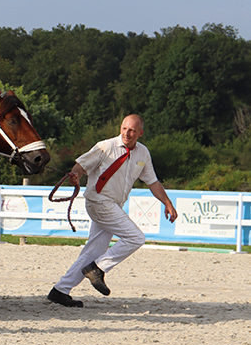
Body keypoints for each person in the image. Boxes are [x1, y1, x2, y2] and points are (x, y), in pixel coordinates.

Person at [47, 114, 178, 307]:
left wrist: (167, 202)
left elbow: (152, 181)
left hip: (113, 205)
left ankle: (60, 290)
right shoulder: (105, 146)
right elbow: (81, 165)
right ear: (120, 128)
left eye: (132, 130)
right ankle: (98, 269)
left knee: (94, 250)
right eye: (125, 128)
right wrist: (75, 176)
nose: (127, 133)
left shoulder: (143, 153)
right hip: (99, 201)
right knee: (136, 238)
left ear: (140, 133)